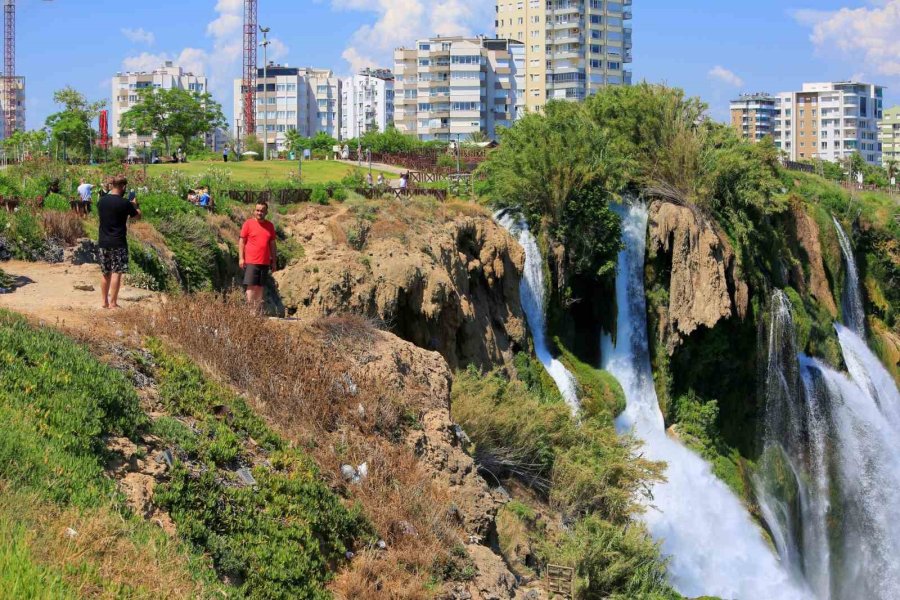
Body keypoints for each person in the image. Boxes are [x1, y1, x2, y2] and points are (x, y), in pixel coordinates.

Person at [97, 175, 141, 309]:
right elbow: (137, 216)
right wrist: (135, 204)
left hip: (103, 241)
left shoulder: (101, 202)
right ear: (123, 187)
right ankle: (113, 303)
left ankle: (104, 302)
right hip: (118, 242)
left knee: (105, 272)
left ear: (112, 185)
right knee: (116, 271)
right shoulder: (125, 203)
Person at [239, 202, 277, 312]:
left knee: (260, 288)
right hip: (251, 261)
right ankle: (250, 312)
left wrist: (274, 261)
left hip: (264, 262)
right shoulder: (248, 224)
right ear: (254, 211)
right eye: (257, 210)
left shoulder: (270, 226)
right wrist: (241, 258)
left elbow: (273, 245)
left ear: (266, 212)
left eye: (262, 211)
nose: (259, 213)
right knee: (251, 287)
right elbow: (242, 241)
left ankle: (256, 312)